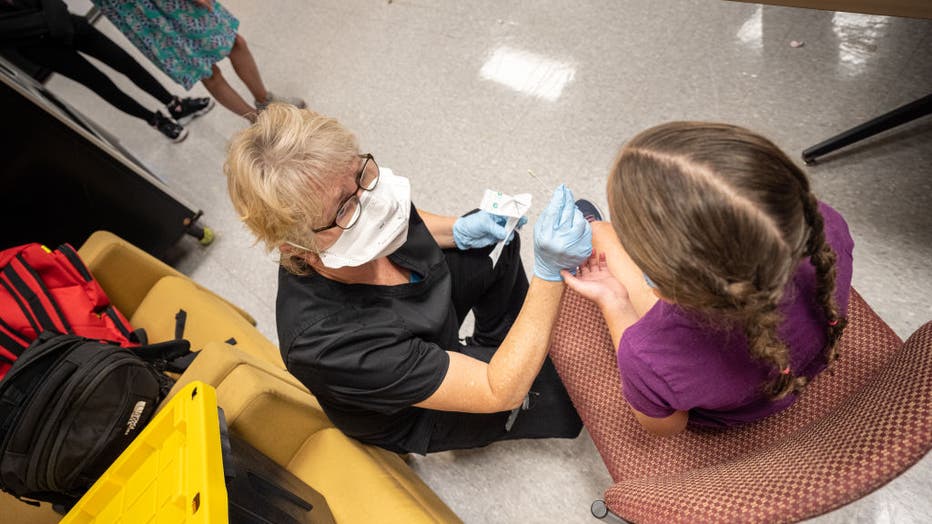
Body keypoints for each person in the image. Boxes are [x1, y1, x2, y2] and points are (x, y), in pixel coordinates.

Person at [225, 104, 591, 454]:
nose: (374, 205)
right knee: (568, 395)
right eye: (345, 208)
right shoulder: (325, 344)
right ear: (298, 249)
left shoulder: (357, 206)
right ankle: (500, 363)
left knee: (498, 243)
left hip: (423, 316)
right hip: (413, 408)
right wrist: (549, 274)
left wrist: (459, 230)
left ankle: (499, 341)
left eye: (361, 174)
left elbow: (405, 219)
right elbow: (498, 390)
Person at [563, 122, 853, 437]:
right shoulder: (827, 224)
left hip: (735, 413)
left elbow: (665, 428)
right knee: (603, 235)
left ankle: (598, 231)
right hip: (805, 361)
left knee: (600, 235)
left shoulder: (648, 355)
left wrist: (615, 303)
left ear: (664, 287)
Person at [0, 0, 213, 141]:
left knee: (125, 62)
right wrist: (54, 23)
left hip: (67, 22)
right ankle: (155, 120)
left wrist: (56, 18)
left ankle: (175, 105)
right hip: (40, 47)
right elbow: (9, 29)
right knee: (100, 83)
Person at [90, 0, 305, 123]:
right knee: (204, 70)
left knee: (233, 41)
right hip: (132, 9)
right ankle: (257, 121)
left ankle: (264, 99)